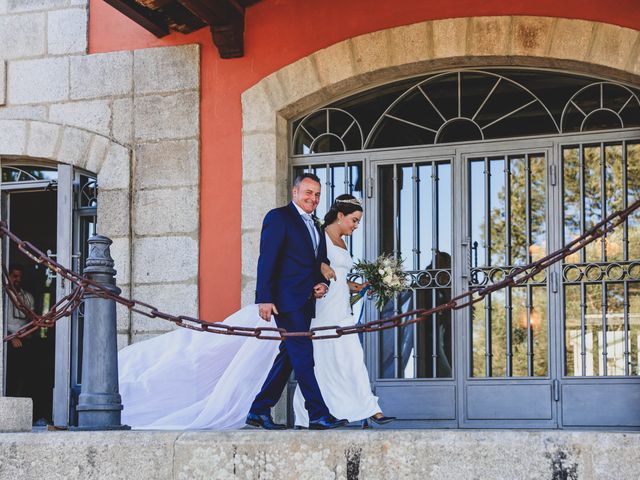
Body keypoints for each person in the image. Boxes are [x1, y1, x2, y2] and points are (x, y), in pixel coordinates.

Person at [246, 173, 348, 430]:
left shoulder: (314, 224)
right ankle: (317, 413)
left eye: (317, 194)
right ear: (295, 192)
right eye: (308, 192)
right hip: (284, 300)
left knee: (289, 356)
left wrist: (321, 283)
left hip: (305, 301)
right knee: (303, 355)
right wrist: (264, 298)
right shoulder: (279, 217)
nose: (313, 198)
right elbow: (267, 258)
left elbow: (318, 262)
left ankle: (259, 410)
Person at [292, 194, 395, 428]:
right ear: (340, 216)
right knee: (318, 363)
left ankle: (371, 408)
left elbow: (339, 278)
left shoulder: (343, 242)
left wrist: (355, 286)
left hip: (342, 310)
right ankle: (304, 415)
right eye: (354, 220)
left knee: (353, 359)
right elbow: (304, 264)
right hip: (322, 310)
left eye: (358, 221)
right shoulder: (319, 236)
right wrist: (320, 266)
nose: (356, 226)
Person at [5, 264, 36, 398]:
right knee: (9, 375)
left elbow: (32, 318)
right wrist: (11, 337)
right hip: (7, 340)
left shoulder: (28, 297)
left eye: (20, 277)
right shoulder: (3, 295)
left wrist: (29, 332)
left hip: (24, 340)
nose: (18, 279)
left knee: (26, 374)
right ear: (9, 276)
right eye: (15, 276)